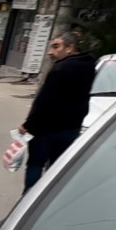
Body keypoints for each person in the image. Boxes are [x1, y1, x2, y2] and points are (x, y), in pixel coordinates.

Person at [19, 31, 94, 193]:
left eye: (56, 47)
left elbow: (45, 101)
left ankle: (29, 196)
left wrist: (28, 125)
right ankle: (49, 198)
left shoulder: (60, 68)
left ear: (69, 48)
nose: (50, 52)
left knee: (35, 164)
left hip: (46, 129)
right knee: (57, 167)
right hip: (71, 128)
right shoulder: (88, 66)